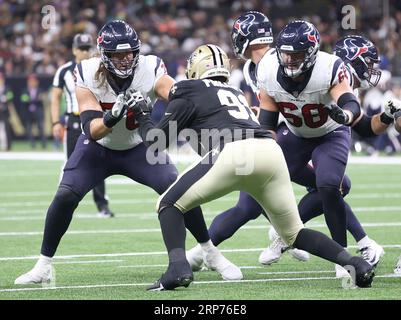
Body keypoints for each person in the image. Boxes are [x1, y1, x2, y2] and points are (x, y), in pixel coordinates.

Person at [130, 43, 375, 291]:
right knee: (293, 233)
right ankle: (354, 263)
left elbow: (155, 142)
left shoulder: (188, 89)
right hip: (270, 152)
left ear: (195, 69)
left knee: (168, 204)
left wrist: (142, 117)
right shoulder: (234, 92)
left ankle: (177, 269)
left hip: (235, 153)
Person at [14, 20, 241, 285]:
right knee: (65, 195)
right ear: (103, 55)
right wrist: (112, 115)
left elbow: (178, 96)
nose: (124, 60)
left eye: (129, 53)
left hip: (139, 147)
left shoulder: (150, 67)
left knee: (177, 189)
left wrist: (194, 102)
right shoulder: (86, 71)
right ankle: (44, 265)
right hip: (99, 148)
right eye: (117, 55)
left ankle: (210, 251)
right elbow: (91, 130)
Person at [187, 13, 385, 277]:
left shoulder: (327, 68)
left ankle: (337, 251)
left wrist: (347, 115)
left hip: (324, 132)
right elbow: (267, 118)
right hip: (289, 135)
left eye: (297, 55)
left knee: (330, 184)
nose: (290, 60)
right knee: (250, 203)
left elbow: (354, 110)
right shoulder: (266, 68)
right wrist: (263, 143)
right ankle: (202, 252)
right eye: (287, 54)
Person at [51, 33, 114, 218]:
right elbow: (54, 98)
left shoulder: (99, 69)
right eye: (82, 49)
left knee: (98, 162)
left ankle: (103, 206)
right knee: (71, 162)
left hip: (95, 120)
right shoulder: (64, 71)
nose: (86, 52)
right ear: (74, 50)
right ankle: (61, 204)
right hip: (74, 120)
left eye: (89, 48)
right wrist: (56, 122)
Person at [20, 74, 46, 149]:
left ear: (36, 82)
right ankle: (32, 144)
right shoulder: (25, 90)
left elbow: (42, 99)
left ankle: (43, 143)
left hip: (38, 111)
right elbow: (24, 99)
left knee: (41, 127)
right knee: (29, 128)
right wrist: (35, 100)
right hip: (28, 112)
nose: (32, 83)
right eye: (30, 81)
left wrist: (32, 100)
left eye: (33, 81)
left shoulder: (40, 90)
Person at [0, 72, 13, 151]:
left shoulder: (7, 88)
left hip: (4, 111)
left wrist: (4, 99)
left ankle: (8, 146)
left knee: (6, 128)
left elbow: (10, 96)